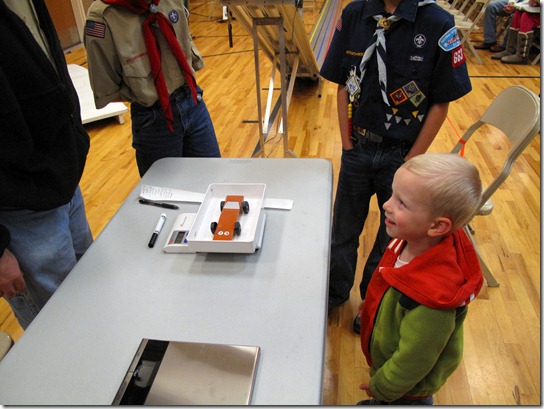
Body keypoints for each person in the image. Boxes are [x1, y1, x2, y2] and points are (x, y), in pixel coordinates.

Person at [320, 0, 472, 333]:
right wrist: (347, 144)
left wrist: (410, 160)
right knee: (342, 231)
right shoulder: (355, 14)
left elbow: (440, 102)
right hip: (358, 146)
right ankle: (333, 294)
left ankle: (372, 302)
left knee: (389, 238)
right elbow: (344, 84)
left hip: (401, 154)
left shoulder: (437, 23)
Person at [357, 153, 484, 405]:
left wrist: (383, 387)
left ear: (436, 226)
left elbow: (413, 361)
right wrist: (373, 304)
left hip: (405, 391)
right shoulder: (410, 240)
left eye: (402, 203)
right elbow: (389, 280)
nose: (387, 205)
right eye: (392, 194)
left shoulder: (431, 301)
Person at [0, 0, 93, 329]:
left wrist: (74, 144)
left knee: (93, 302)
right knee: (59, 330)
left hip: (63, 183)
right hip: (21, 211)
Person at [84, 0, 221, 177]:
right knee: (165, 192)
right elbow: (108, 90)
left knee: (213, 180)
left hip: (192, 101)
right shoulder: (103, 16)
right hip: (154, 119)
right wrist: (147, 92)